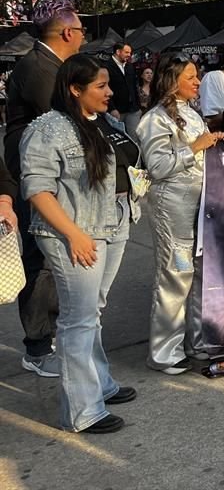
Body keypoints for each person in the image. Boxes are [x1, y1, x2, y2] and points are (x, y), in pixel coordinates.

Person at [19, 54, 142, 433]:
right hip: (76, 233)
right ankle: (82, 411)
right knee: (77, 320)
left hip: (113, 223)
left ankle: (100, 385)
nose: (110, 92)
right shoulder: (48, 129)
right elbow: (37, 189)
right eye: (101, 86)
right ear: (75, 88)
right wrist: (73, 234)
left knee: (93, 312)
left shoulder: (101, 122)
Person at [5, 0, 85, 378]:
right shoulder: (38, 67)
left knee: (55, 257)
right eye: (82, 30)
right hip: (35, 176)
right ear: (68, 33)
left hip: (56, 174)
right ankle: (37, 346)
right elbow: (66, 116)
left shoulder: (54, 65)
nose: (85, 37)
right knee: (40, 257)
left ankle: (51, 334)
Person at [137, 54, 224, 376]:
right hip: (172, 206)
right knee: (176, 274)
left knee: (199, 273)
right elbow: (157, 166)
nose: (198, 82)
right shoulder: (155, 119)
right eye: (191, 77)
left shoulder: (191, 113)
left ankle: (196, 341)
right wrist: (196, 147)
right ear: (173, 81)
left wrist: (213, 143)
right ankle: (164, 352)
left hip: (199, 204)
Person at [107, 42, 139, 138]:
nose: (129, 55)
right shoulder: (106, 67)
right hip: (117, 110)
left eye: (130, 53)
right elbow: (106, 89)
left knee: (135, 137)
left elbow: (133, 86)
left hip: (133, 109)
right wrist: (112, 108)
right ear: (118, 52)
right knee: (120, 139)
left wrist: (137, 104)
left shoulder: (130, 66)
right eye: (126, 52)